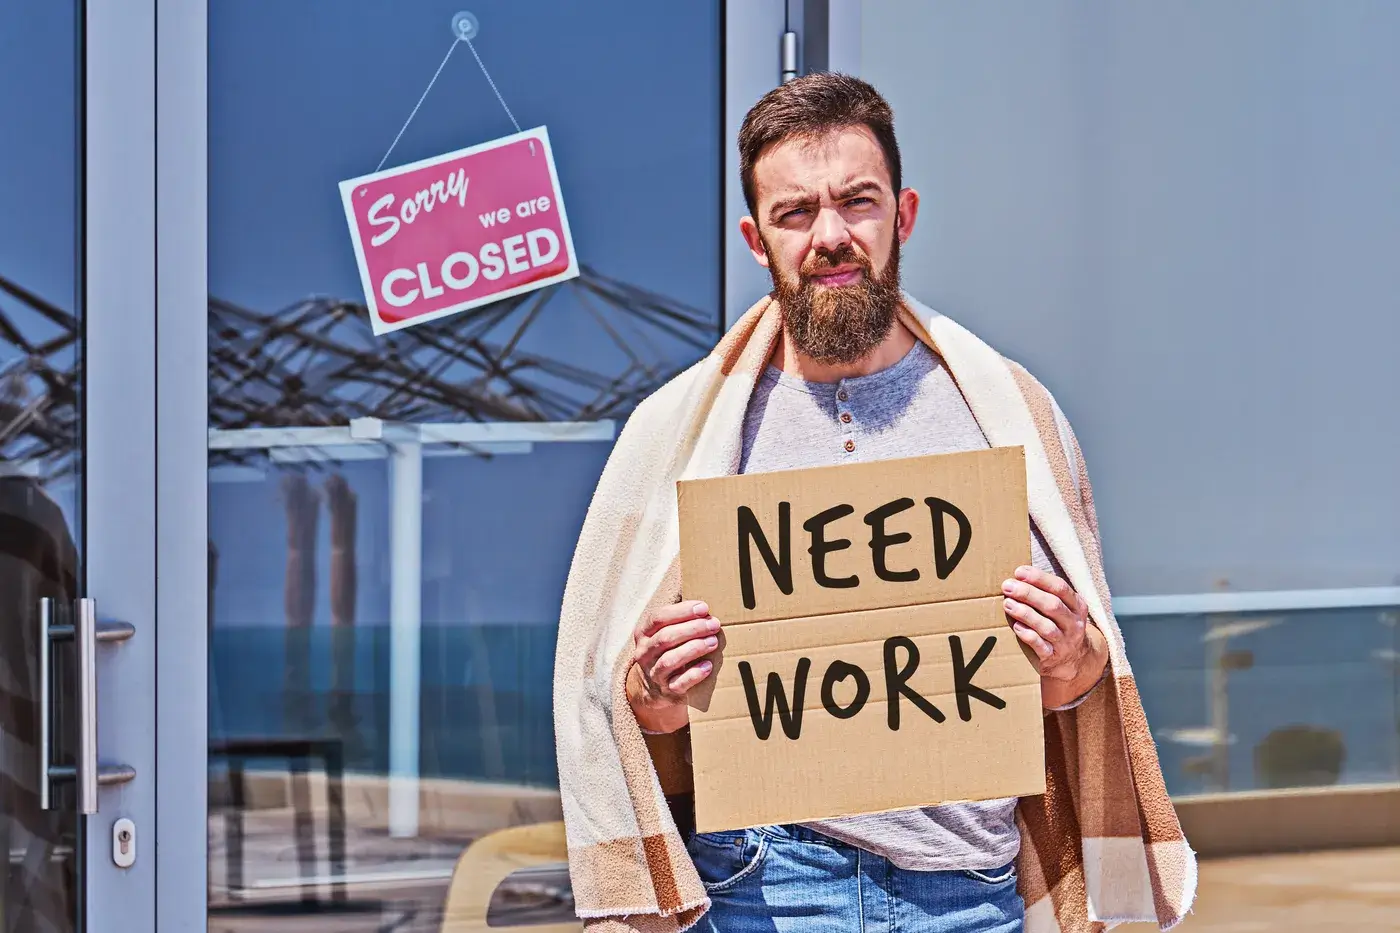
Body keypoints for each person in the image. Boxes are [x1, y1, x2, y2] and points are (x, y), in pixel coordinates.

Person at [553, 74, 1194, 933]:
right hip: (764, 884)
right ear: (756, 238)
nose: (830, 235)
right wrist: (658, 689)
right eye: (794, 213)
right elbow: (631, 704)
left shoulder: (1010, 413)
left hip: (967, 887)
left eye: (858, 201)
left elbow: (1070, 683)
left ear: (905, 214)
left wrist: (1071, 658)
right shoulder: (677, 434)